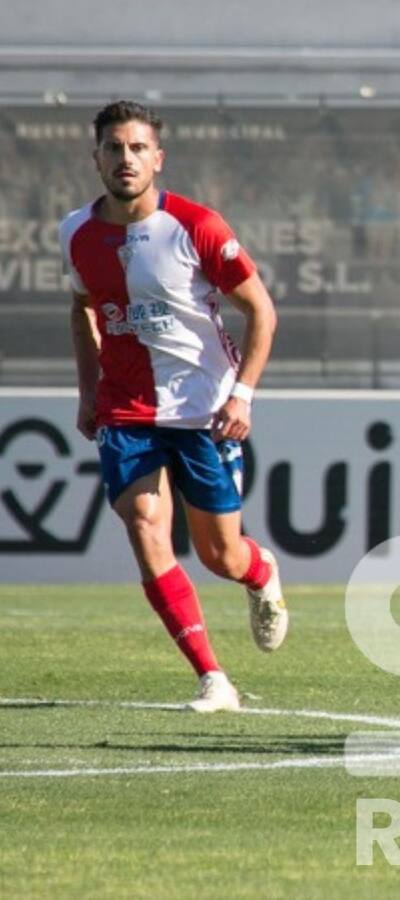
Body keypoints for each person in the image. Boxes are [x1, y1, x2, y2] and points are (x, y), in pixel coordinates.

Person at [60, 101, 288, 713]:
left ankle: (260, 572)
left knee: (220, 555)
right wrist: (88, 391)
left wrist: (242, 392)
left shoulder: (197, 226)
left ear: (157, 159)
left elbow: (261, 311)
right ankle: (212, 676)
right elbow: (82, 309)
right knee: (143, 524)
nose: (125, 159)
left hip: (203, 411)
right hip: (126, 410)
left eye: (137, 149)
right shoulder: (76, 233)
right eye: (114, 148)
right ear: (97, 158)